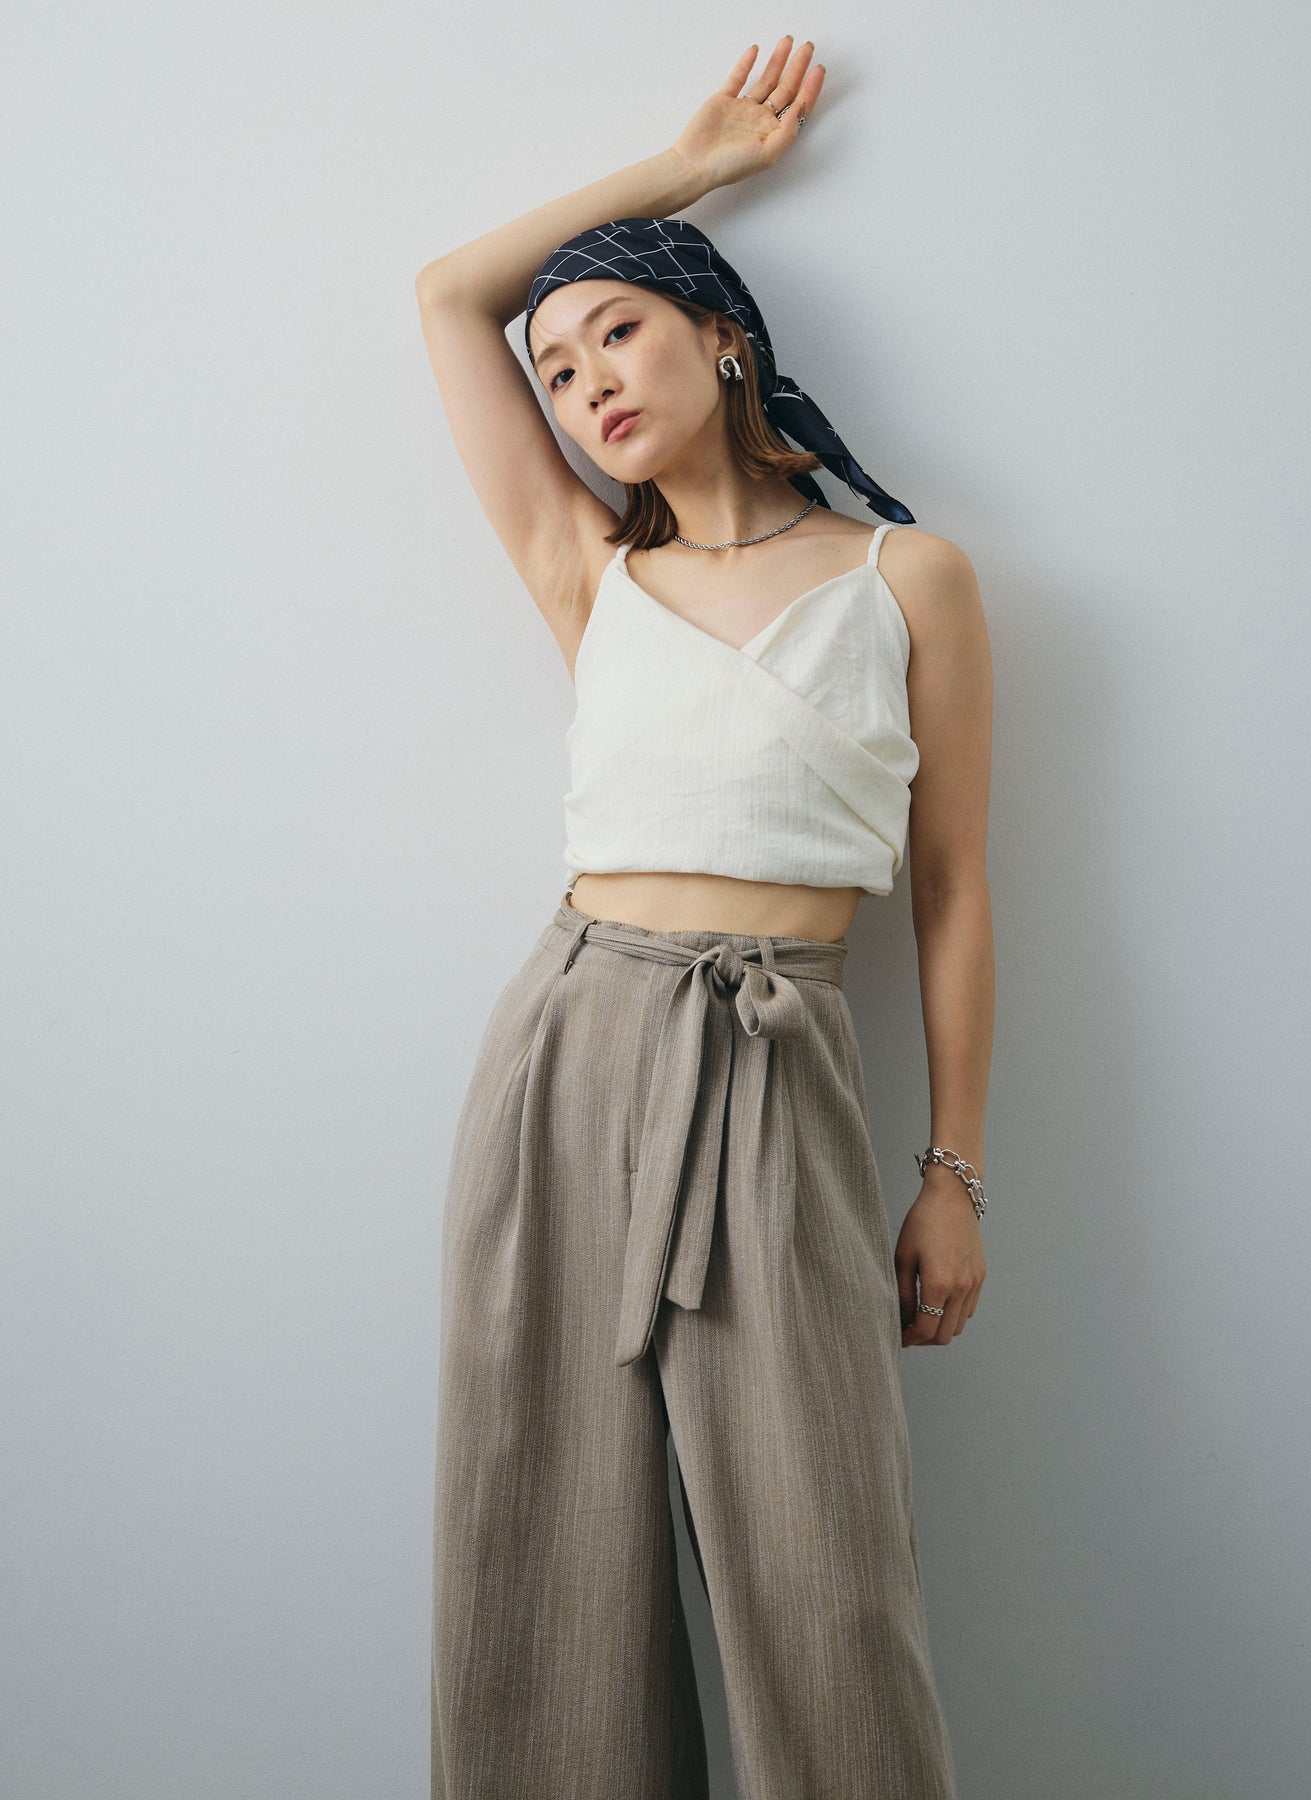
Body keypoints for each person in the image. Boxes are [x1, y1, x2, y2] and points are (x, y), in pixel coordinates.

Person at [414, 34, 993, 1800]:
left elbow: (953, 890)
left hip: (774, 1050)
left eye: (618, 330)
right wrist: (684, 172)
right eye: (557, 365)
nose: (582, 378)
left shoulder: (907, 574)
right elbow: (446, 295)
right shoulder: (591, 570)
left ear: (723, 335)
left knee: (822, 1570)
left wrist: (951, 1173)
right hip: (569, 1043)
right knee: (544, 1551)